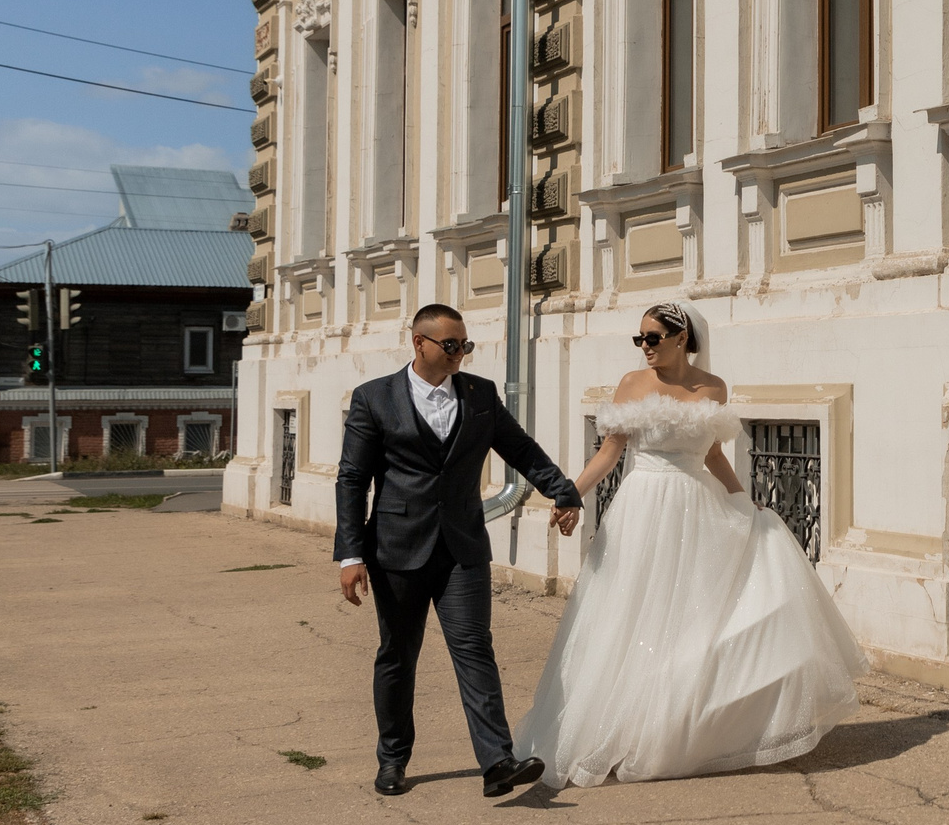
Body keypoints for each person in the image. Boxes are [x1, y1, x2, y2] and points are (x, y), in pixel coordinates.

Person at [517, 302, 866, 787]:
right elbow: (610, 452)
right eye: (639, 339)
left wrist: (746, 504)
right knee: (629, 615)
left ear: (682, 338)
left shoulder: (713, 387)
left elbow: (716, 453)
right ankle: (609, 731)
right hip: (642, 508)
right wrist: (571, 492)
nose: (644, 348)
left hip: (697, 507)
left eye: (653, 338)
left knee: (691, 619)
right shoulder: (631, 384)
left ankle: (674, 730)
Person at [335, 303, 584, 799]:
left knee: (474, 650)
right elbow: (352, 479)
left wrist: (563, 489)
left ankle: (497, 762)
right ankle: (392, 760)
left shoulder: (480, 395)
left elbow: (521, 448)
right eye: (450, 345)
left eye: (465, 345)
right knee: (398, 657)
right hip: (396, 549)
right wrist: (350, 554)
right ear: (419, 343)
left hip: (463, 547)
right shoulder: (374, 398)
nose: (459, 354)